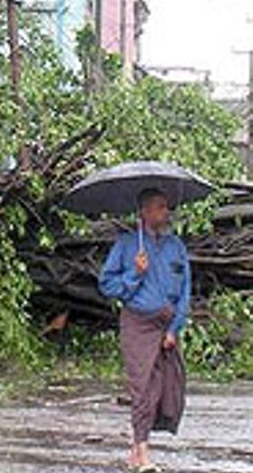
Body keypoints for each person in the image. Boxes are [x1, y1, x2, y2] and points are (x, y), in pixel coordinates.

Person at [99, 188, 189, 472]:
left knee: (168, 389)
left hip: (166, 323)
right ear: (144, 212)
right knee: (143, 389)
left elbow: (185, 290)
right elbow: (107, 285)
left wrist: (174, 328)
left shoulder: (176, 247)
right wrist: (134, 274)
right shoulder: (127, 245)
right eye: (160, 207)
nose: (166, 212)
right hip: (138, 323)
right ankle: (143, 454)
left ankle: (136, 450)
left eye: (167, 206)